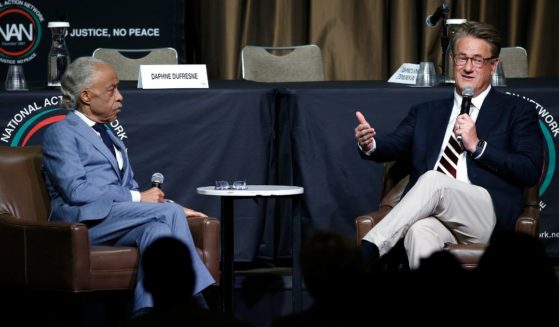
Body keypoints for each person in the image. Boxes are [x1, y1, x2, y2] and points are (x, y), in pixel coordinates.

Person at [354, 21, 543, 269]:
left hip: (486, 216)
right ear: (452, 60)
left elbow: (528, 169)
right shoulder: (426, 112)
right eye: (462, 58)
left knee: (434, 180)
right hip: (436, 217)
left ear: (493, 64)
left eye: (477, 60)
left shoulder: (517, 111)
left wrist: (477, 146)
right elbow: (392, 144)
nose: (467, 67)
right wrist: (370, 143)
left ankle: (367, 252)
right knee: (419, 232)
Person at [41, 57, 215, 314]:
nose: (120, 97)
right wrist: (148, 203)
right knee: (169, 215)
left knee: (157, 231)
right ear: (86, 96)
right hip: (83, 224)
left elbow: (132, 190)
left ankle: (145, 313)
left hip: (116, 219)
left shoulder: (109, 135)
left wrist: (165, 204)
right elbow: (76, 191)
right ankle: (199, 304)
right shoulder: (62, 132)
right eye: (111, 90)